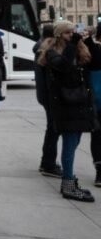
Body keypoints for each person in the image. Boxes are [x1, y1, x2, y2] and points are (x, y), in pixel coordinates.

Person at [38, 21, 95, 202]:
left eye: (73, 32)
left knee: (74, 142)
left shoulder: (77, 49)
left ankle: (69, 181)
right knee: (69, 145)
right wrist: (73, 44)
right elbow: (63, 66)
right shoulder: (52, 52)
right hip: (64, 105)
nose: (71, 35)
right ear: (59, 35)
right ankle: (68, 183)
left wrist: (88, 41)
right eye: (67, 33)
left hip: (79, 103)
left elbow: (94, 61)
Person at [34, 24, 62, 177]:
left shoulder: (40, 48)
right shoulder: (47, 51)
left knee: (52, 128)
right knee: (53, 129)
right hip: (50, 96)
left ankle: (47, 161)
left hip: (45, 95)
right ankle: (48, 163)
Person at [83, 26, 101, 187]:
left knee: (97, 137)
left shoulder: (91, 51)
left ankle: (99, 171)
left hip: (94, 102)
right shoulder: (94, 51)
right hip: (96, 101)